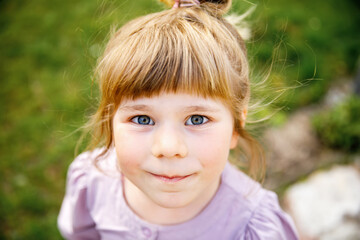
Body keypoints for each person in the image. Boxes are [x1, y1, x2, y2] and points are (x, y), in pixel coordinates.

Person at [58, 0, 299, 239]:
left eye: (196, 119)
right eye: (142, 119)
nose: (168, 148)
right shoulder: (93, 183)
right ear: (111, 118)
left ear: (236, 125)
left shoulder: (252, 227)